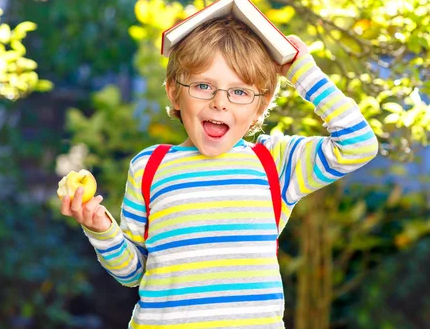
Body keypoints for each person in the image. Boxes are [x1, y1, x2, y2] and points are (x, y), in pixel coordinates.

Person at [59, 17, 379, 328]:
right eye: (203, 85)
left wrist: (302, 73)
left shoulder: (275, 162)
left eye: (239, 92)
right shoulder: (149, 167)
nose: (219, 103)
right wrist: (99, 227)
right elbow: (132, 273)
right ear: (173, 91)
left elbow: (358, 145)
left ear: (261, 105)